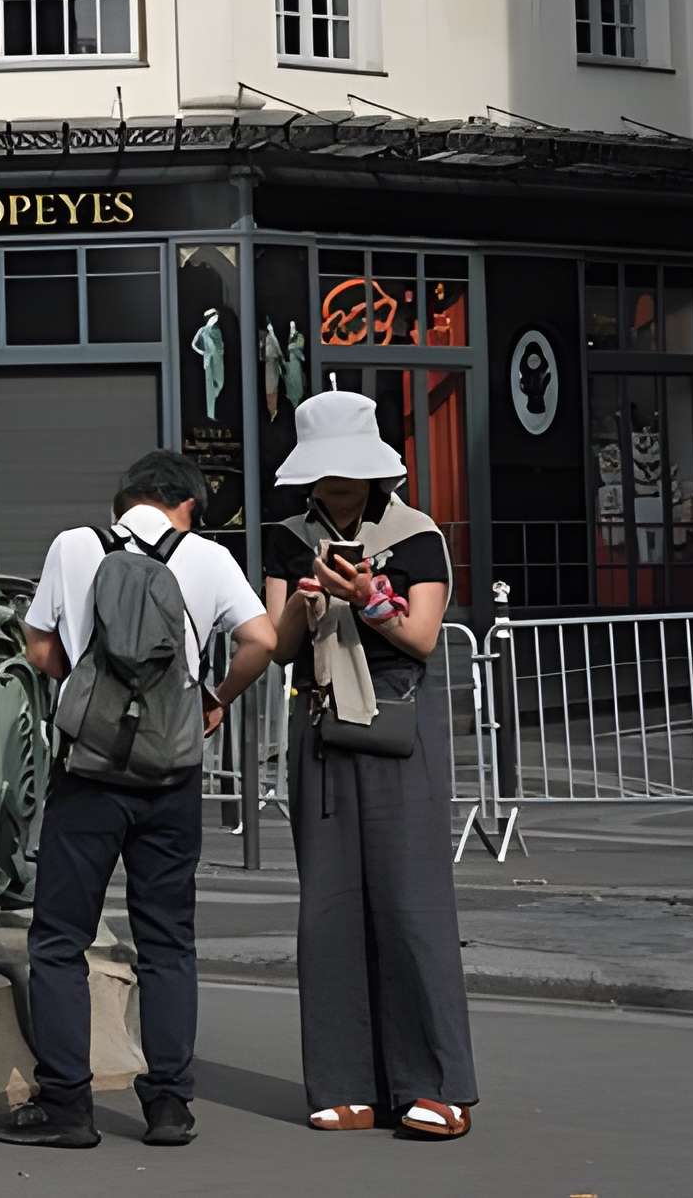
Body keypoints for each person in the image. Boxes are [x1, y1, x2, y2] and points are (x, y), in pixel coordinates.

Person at [0, 448, 275, 1151]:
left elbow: (38, 646)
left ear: (124, 501)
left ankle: (68, 1106)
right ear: (187, 505)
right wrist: (215, 698)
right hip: (170, 775)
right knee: (167, 942)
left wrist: (84, 690)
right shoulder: (208, 557)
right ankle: (169, 1106)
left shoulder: (74, 545)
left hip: (89, 774)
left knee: (60, 940)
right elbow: (262, 638)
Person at [264, 389, 477, 1141]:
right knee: (327, 908)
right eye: (325, 475)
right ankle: (344, 1082)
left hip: (397, 725)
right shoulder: (288, 538)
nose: (337, 487)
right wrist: (305, 604)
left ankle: (435, 1085)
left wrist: (369, 599)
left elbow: (422, 637)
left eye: (348, 473)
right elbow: (278, 646)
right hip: (321, 726)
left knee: (411, 902)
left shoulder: (417, 535)